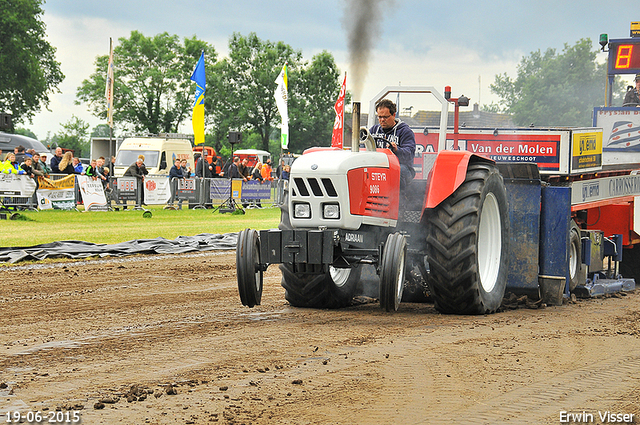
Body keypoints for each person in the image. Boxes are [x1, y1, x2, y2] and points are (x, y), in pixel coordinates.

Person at [369, 98, 416, 191]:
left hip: (403, 168)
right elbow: (363, 147)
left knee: (397, 171)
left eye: (385, 117)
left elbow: (410, 153)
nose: (382, 120)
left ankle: (401, 201)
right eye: (379, 117)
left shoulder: (405, 131)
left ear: (394, 115)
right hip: (378, 166)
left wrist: (397, 150)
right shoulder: (373, 131)